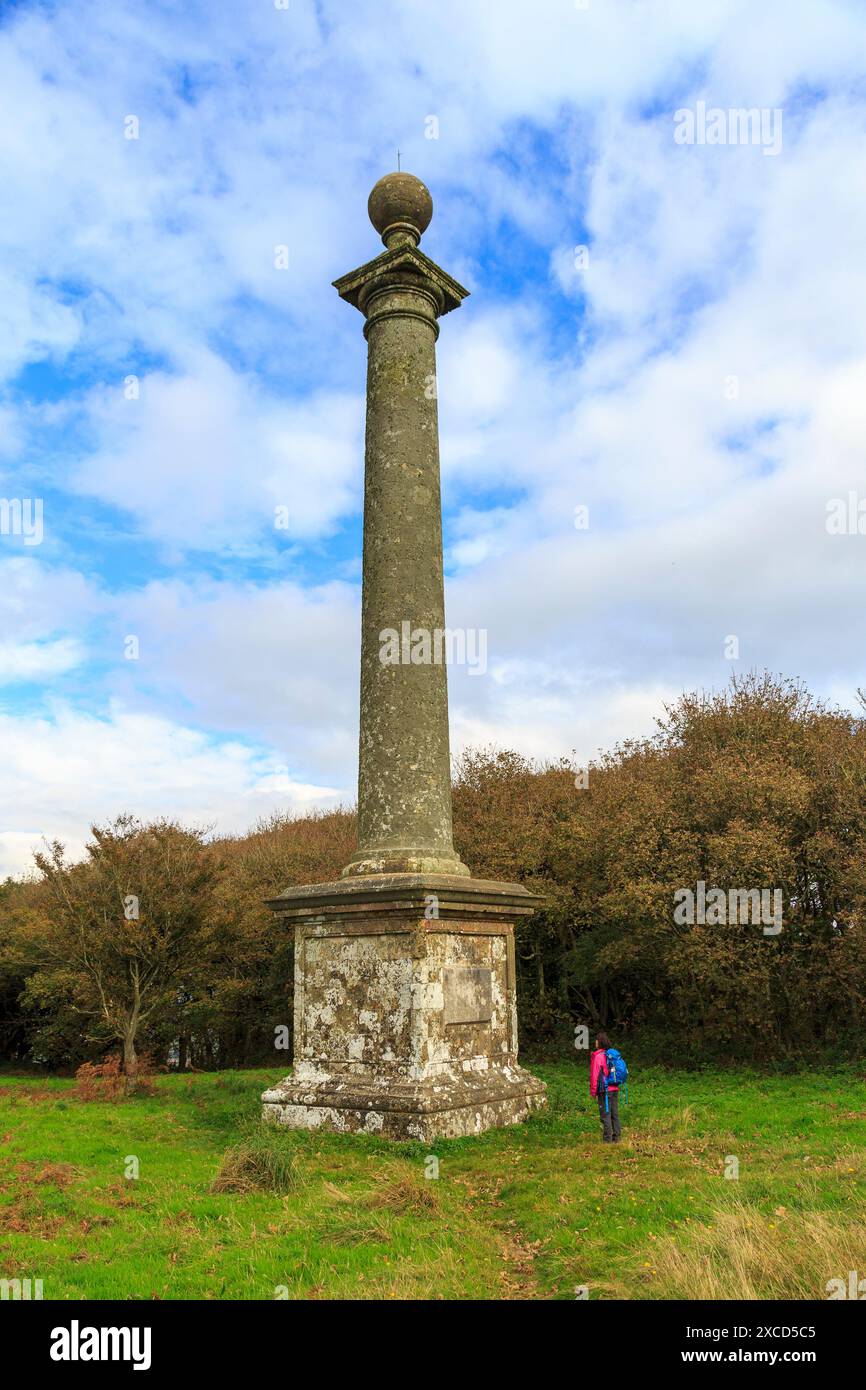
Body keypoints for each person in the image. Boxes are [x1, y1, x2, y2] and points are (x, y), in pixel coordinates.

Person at [590, 1031, 621, 1142]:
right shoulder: (610, 1054)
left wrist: (593, 1091)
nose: (595, 1042)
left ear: (600, 1042)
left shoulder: (598, 1056)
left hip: (604, 1089)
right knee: (614, 1113)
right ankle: (616, 1138)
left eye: (596, 1040)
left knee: (605, 1114)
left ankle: (607, 1140)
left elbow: (594, 1075)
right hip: (614, 1088)